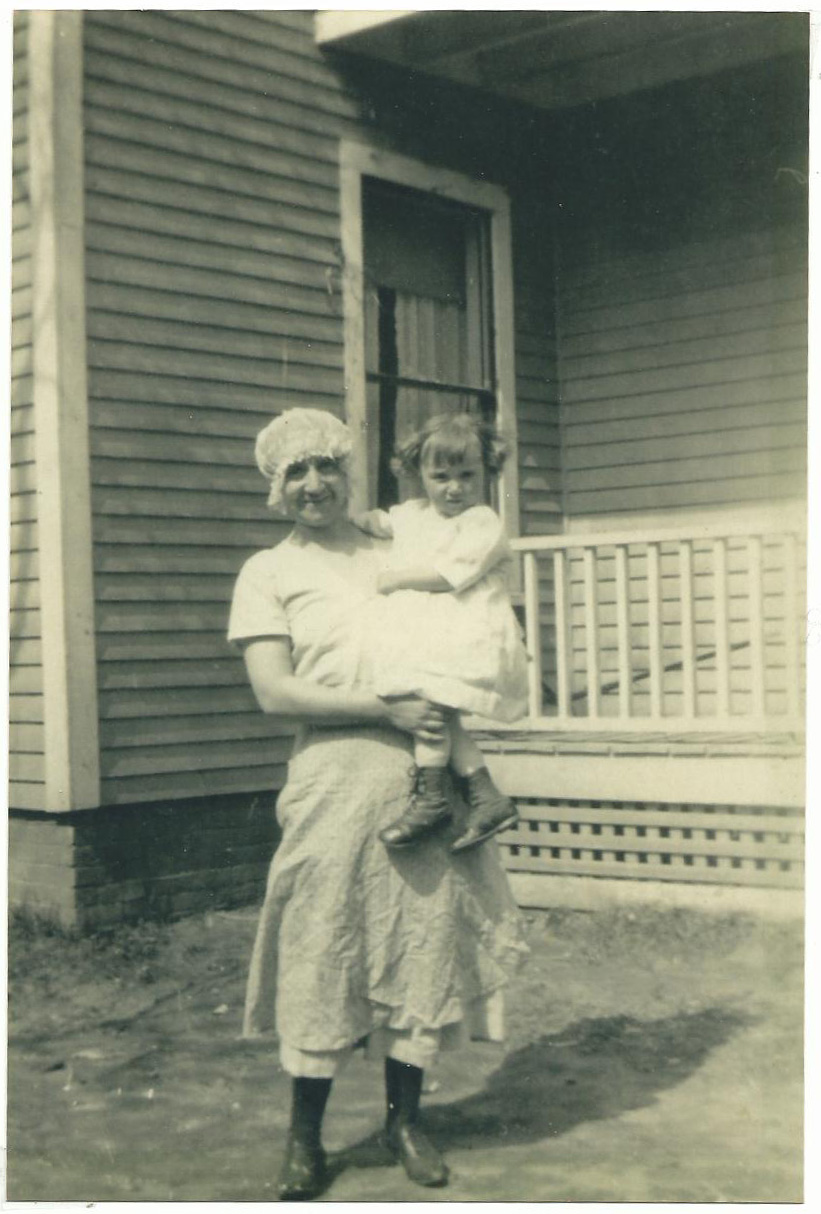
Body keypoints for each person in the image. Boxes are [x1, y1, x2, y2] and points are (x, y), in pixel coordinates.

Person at [228, 408, 527, 1200]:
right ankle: (303, 1140)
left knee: (419, 948)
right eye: (296, 473)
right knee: (323, 950)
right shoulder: (269, 571)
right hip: (332, 777)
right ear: (276, 489)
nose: (314, 483)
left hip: (423, 779)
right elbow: (274, 692)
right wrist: (381, 707)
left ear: (349, 473)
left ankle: (403, 1121)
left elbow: (476, 580)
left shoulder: (400, 542)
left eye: (327, 466)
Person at [354, 413, 529, 853]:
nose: (454, 488)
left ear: (487, 473)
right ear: (419, 476)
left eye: (467, 475)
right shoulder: (414, 514)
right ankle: (486, 797)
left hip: (467, 633)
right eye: (441, 477)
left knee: (429, 710)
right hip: (432, 636)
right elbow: (377, 522)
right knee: (438, 713)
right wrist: (352, 522)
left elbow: (451, 575)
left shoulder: (482, 523)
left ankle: (432, 798)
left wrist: (395, 578)